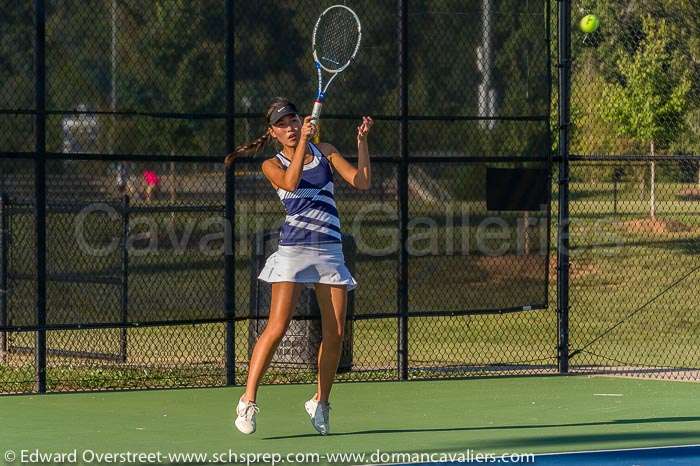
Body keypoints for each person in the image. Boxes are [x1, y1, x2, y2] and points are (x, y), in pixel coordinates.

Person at [225, 97, 373, 435]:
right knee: (276, 328)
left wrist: (362, 143)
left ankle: (321, 402)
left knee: (335, 333)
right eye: (283, 124)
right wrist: (306, 140)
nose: (291, 128)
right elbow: (291, 183)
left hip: (329, 250)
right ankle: (247, 401)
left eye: (294, 121)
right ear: (273, 132)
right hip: (294, 250)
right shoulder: (271, 164)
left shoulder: (327, 151)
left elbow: (362, 180)